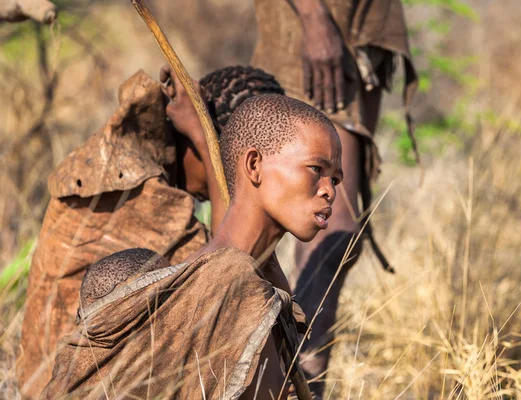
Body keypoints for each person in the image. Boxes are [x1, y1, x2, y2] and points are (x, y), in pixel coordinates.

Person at [41, 93, 342, 400]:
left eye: (336, 180)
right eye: (317, 169)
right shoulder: (235, 285)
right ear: (254, 165)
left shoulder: (256, 282)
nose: (329, 191)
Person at [17, 65, 285, 399]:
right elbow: (221, 277)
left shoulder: (143, 170)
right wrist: (205, 140)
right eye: (230, 168)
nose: (234, 186)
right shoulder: (135, 190)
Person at [252, 0, 419, 393]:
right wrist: (313, 16)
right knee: (333, 232)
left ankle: (287, 378)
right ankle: (295, 379)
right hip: (318, 42)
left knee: (317, 233)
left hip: (352, 43)